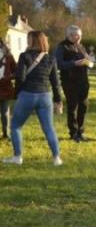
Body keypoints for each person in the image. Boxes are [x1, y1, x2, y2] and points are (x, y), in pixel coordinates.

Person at [2, 30, 63, 166]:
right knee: (49, 128)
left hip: (27, 94)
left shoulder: (24, 56)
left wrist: (17, 93)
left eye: (28, 39)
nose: (26, 41)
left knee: (16, 126)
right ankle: (57, 158)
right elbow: (55, 82)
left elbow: (20, 77)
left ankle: (17, 157)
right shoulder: (51, 58)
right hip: (45, 95)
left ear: (32, 40)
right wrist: (58, 100)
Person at [55, 25, 92, 142]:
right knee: (73, 108)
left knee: (84, 106)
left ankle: (81, 132)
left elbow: (86, 60)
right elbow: (59, 64)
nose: (79, 38)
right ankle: (73, 133)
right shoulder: (62, 47)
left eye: (80, 35)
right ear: (70, 35)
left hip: (83, 81)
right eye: (77, 36)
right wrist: (74, 63)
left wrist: (88, 62)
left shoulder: (81, 47)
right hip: (70, 82)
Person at [0, 40, 17, 139]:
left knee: (5, 111)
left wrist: (8, 77)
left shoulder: (9, 57)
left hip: (6, 87)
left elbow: (16, 71)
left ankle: (6, 133)